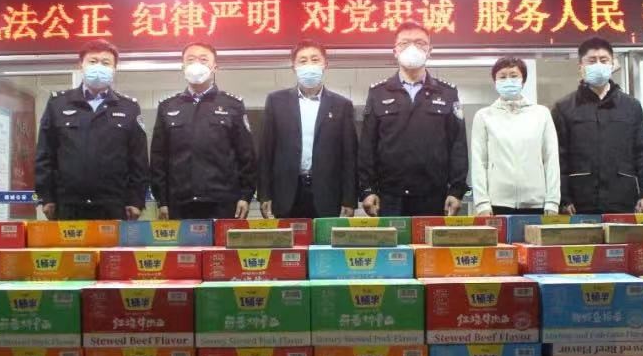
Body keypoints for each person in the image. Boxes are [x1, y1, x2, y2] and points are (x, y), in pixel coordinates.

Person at [358, 21, 468, 217]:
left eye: (419, 43)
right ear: (395, 51)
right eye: (404, 43)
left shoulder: (447, 93)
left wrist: (456, 190)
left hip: (435, 196)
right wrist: (367, 189)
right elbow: (367, 146)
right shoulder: (378, 93)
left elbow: (458, 145)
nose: (412, 48)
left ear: (429, 50)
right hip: (389, 196)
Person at [34, 39, 148, 221]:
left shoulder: (129, 107)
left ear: (114, 69)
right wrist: (45, 196)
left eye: (106, 63)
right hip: (68, 203)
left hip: (114, 204)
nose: (99, 67)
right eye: (93, 61)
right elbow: (45, 154)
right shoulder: (58, 103)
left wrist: (136, 200)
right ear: (81, 65)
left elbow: (138, 159)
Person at [150, 41, 256, 220]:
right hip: (179, 202)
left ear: (215, 67)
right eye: (191, 60)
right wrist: (162, 200)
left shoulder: (232, 105)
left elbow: (246, 155)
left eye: (203, 59)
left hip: (223, 201)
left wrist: (246, 196)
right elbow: (158, 158)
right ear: (183, 67)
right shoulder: (168, 106)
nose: (196, 64)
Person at [551, 37, 643, 214]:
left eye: (603, 60)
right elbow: (557, 158)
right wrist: (563, 198)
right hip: (579, 203)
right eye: (592, 61)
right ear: (581, 67)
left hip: (623, 198)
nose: (598, 65)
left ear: (612, 64)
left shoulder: (631, 107)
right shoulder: (564, 108)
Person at [258, 40, 358, 219]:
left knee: (324, 238)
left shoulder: (342, 105)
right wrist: (264, 194)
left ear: (325, 64)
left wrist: (349, 199)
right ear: (293, 67)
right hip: (286, 192)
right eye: (303, 61)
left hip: (328, 193)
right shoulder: (276, 101)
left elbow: (349, 156)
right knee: (289, 238)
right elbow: (266, 152)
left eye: (315, 60)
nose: (309, 65)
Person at [471, 57, 560, 216]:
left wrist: (553, 201)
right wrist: (482, 203)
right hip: (496, 202)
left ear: (523, 81)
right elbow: (479, 162)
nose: (508, 80)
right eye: (502, 77)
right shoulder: (484, 116)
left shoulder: (541, 114)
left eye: (513, 76)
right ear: (495, 82)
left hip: (536, 202)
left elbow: (551, 158)